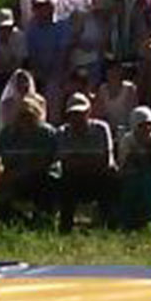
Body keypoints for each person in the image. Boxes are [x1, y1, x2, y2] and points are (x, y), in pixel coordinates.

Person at [56, 97, 118, 231]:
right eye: (73, 114)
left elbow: (105, 161)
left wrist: (78, 159)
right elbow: (66, 164)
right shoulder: (62, 132)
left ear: (88, 112)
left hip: (99, 178)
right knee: (64, 182)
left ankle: (110, 225)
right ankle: (65, 227)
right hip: (74, 179)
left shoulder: (101, 128)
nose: (77, 118)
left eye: (80, 113)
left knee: (111, 178)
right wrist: (90, 159)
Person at [0, 96, 58, 223]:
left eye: (29, 115)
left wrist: (17, 174)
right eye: (22, 115)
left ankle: (44, 220)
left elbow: (45, 162)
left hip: (41, 176)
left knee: (46, 182)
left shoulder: (46, 133)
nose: (25, 119)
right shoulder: (7, 134)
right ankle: (19, 222)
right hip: (13, 176)